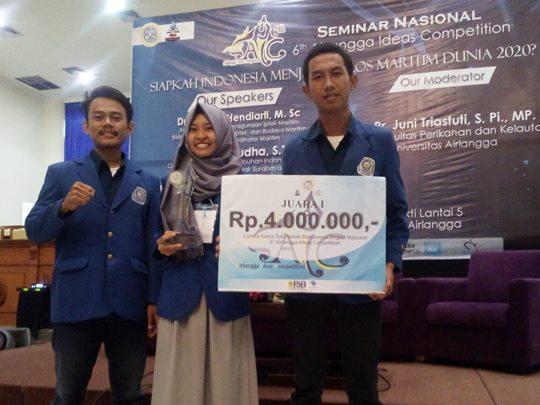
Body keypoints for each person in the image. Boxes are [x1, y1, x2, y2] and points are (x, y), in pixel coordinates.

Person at [281, 43, 409, 405]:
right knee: (305, 386)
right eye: (317, 77)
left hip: (361, 282)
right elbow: (287, 219)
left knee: (363, 386)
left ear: (352, 80)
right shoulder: (293, 150)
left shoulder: (379, 141)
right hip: (306, 287)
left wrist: (390, 264)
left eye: (336, 73)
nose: (328, 83)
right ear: (306, 89)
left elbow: (396, 212)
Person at [25, 85, 162, 405]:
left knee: (129, 395)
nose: (108, 123)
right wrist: (63, 207)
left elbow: (152, 242)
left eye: (116, 117)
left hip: (130, 302)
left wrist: (153, 298)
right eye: (99, 117)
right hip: (76, 300)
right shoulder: (61, 174)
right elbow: (34, 230)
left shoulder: (147, 180)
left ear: (130, 127)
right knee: (68, 395)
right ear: (86, 126)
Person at [151, 102, 258, 405]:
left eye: (209, 128)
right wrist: (160, 245)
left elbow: (262, 240)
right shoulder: (171, 183)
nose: (200, 135)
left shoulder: (245, 185)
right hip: (180, 293)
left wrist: (242, 246)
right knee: (179, 386)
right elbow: (153, 236)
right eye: (193, 129)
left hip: (225, 295)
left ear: (222, 133)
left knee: (226, 384)